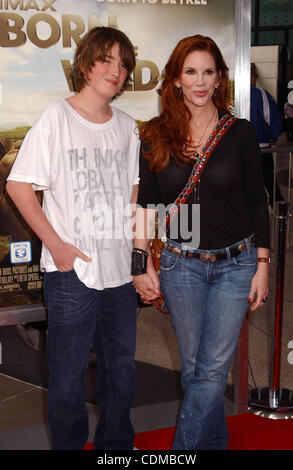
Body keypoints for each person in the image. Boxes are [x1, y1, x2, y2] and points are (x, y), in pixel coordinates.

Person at [132, 35, 270, 450]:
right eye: (190, 71)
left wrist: (262, 263)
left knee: (211, 370)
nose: (200, 81)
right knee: (195, 370)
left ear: (220, 78)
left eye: (208, 71)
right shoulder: (155, 135)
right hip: (180, 266)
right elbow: (145, 206)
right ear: (175, 78)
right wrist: (142, 264)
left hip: (236, 264)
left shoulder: (240, 133)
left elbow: (256, 200)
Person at [6, 26, 140, 450]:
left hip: (120, 275)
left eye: (122, 63)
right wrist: (57, 247)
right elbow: (19, 186)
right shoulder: (56, 117)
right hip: (72, 275)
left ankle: (114, 451)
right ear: (85, 64)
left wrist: (141, 260)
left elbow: (134, 199)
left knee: (121, 372)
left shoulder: (128, 127)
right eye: (106, 59)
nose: (114, 70)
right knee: (65, 379)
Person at [250, 63, 284, 208]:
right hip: (262, 145)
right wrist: (274, 135)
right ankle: (275, 200)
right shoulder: (261, 94)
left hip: (238, 147)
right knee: (267, 176)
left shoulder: (231, 93)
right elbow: (271, 116)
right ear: (253, 77)